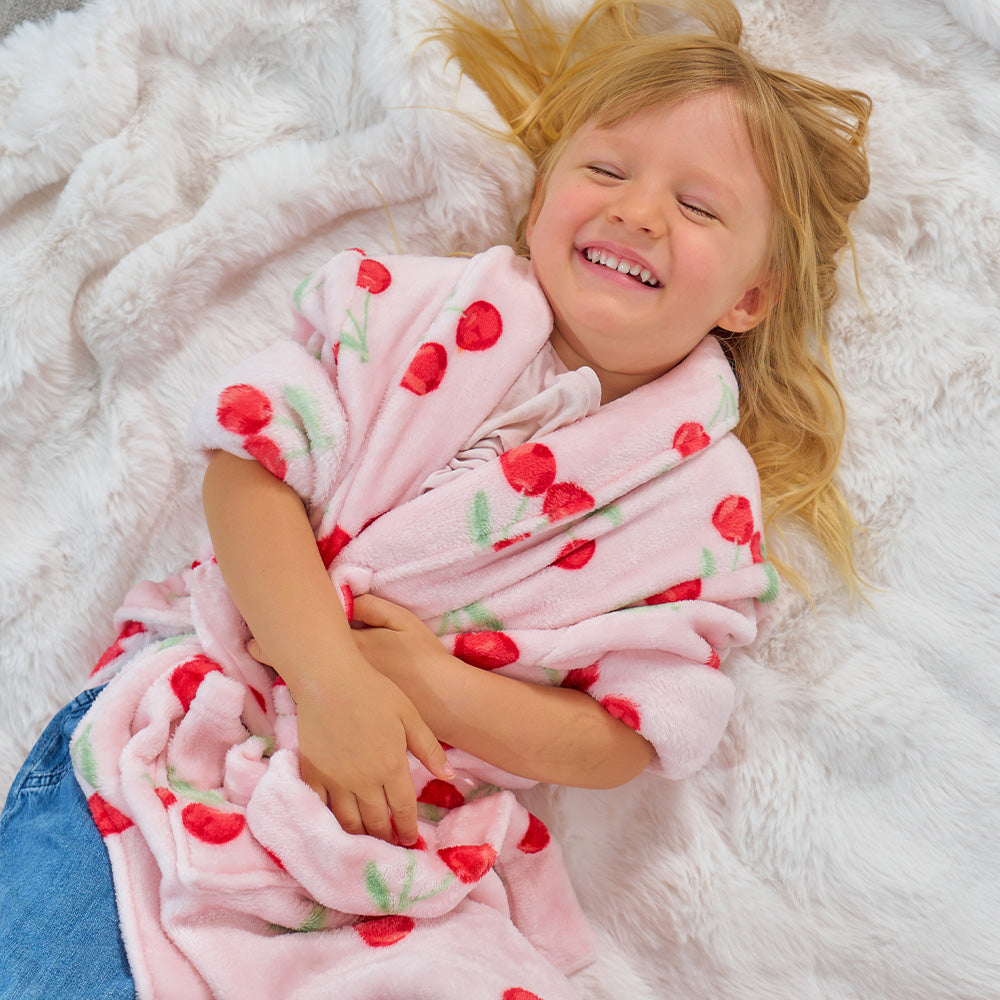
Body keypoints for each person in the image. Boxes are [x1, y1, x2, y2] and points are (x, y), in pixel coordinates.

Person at [0, 1, 871, 997]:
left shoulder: (702, 497)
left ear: (748, 299)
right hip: (187, 735)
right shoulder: (412, 310)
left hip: (392, 847)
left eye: (700, 207)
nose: (639, 212)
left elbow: (627, 734)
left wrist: (431, 684)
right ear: (542, 199)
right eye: (606, 171)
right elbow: (247, 467)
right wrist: (329, 679)